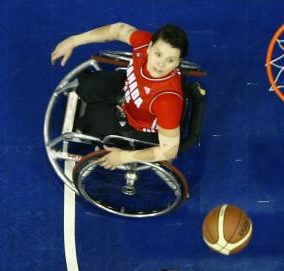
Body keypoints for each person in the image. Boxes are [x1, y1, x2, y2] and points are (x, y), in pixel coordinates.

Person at [51, 22, 188, 167]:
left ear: (178, 62)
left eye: (170, 60)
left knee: (91, 119)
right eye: (158, 54)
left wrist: (124, 156)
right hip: (129, 95)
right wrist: (73, 41)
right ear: (149, 47)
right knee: (88, 85)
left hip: (138, 126)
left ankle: (94, 123)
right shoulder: (142, 43)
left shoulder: (167, 101)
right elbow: (118, 30)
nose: (160, 65)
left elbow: (169, 151)